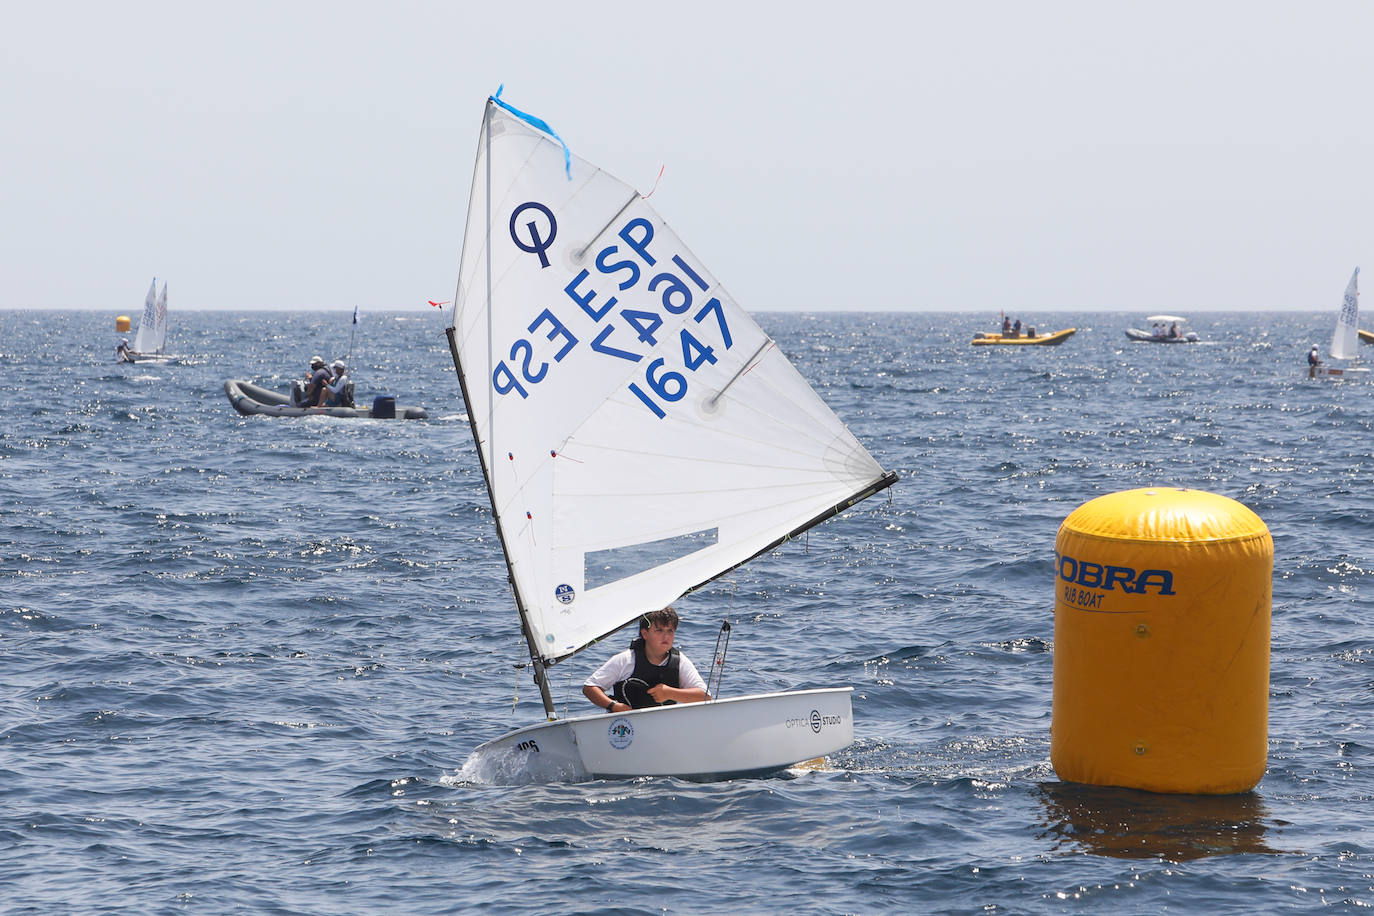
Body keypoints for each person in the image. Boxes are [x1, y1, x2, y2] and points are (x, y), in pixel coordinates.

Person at [582, 607, 710, 713]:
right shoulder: (626, 659)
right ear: (645, 634)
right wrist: (613, 706)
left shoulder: (680, 662)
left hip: (666, 728)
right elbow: (590, 687)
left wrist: (671, 693)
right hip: (625, 730)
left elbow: (705, 697)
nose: (666, 636)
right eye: (659, 630)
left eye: (670, 631)